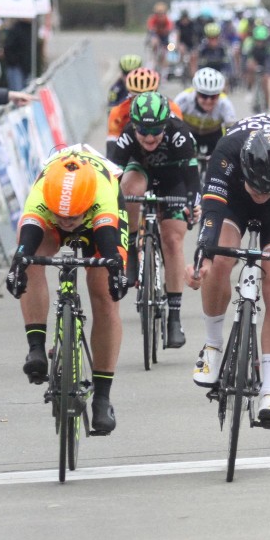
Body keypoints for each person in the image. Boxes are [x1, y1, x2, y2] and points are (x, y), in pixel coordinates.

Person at [186, 119, 270, 425]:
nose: (262, 194)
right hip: (233, 203)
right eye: (257, 187)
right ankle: (214, 345)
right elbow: (212, 217)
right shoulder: (227, 151)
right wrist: (202, 259)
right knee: (218, 262)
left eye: (269, 189)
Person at [5, 149, 130, 434]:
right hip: (52, 210)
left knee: (105, 295)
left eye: (72, 217)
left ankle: (102, 397)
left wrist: (117, 273)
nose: (67, 221)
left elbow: (110, 246)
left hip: (100, 221)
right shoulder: (42, 193)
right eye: (61, 216)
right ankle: (36, 349)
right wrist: (17, 269)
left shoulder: (102, 193)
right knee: (29, 260)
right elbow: (26, 242)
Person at [111, 92, 201, 348]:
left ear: (165, 125)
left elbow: (193, 178)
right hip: (142, 172)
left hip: (174, 179)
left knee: (172, 240)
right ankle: (129, 249)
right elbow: (111, 175)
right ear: (134, 125)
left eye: (155, 131)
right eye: (143, 131)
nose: (149, 138)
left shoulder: (179, 133)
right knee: (128, 189)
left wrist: (193, 204)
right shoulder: (128, 134)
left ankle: (174, 317)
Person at [106, 67, 184, 160]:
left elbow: (180, 138)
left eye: (149, 96)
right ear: (129, 94)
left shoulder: (172, 108)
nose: (143, 102)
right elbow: (112, 145)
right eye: (136, 97)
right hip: (132, 150)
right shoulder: (118, 112)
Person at [173, 67, 237, 156]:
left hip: (213, 136)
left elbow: (232, 131)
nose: (208, 101)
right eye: (204, 95)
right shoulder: (183, 99)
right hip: (189, 135)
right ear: (196, 92)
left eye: (213, 96)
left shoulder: (225, 104)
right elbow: (171, 125)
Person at [146, 3, 174, 70]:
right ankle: (154, 53)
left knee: (166, 51)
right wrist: (152, 29)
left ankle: (164, 66)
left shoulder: (167, 19)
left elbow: (170, 27)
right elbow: (150, 27)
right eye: (158, 13)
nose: (160, 16)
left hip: (165, 37)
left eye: (162, 13)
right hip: (156, 35)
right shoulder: (153, 18)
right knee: (154, 41)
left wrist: (167, 30)